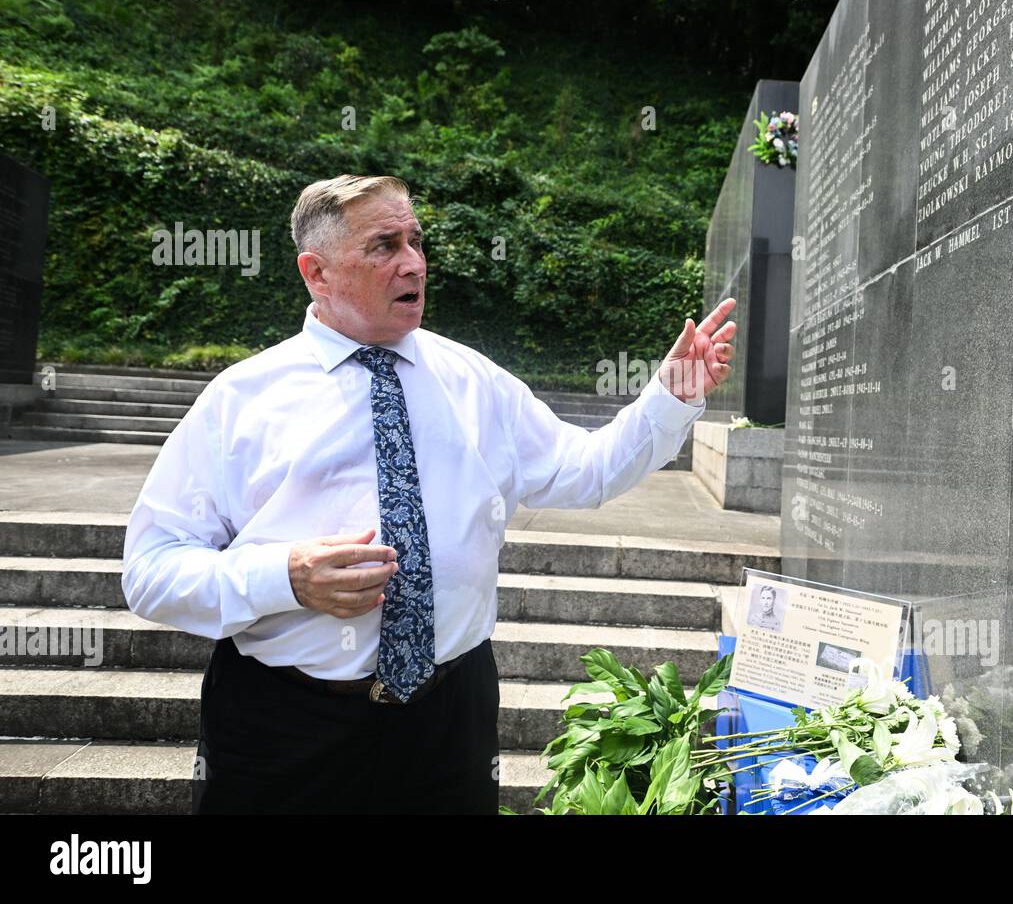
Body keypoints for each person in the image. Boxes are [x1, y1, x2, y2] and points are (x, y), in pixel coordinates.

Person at [121, 174, 737, 814]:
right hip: (285, 726)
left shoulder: (474, 380)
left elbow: (587, 469)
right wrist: (284, 577)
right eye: (384, 245)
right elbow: (150, 571)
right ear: (318, 272)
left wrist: (670, 397)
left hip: (449, 720)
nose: (413, 262)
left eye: (415, 240)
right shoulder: (240, 399)